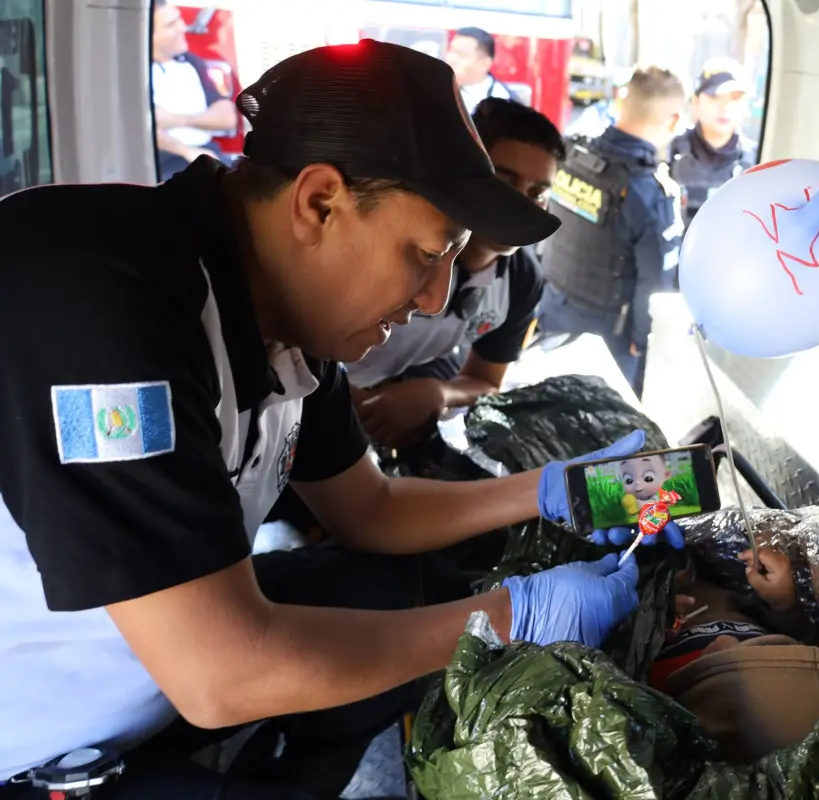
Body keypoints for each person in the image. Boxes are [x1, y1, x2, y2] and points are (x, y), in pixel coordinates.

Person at [0, 41, 681, 798]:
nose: (434, 298)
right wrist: (514, 615)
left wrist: (557, 489)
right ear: (319, 202)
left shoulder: (290, 320)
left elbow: (370, 509)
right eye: (426, 253)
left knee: (395, 588)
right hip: (41, 740)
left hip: (150, 687)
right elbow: (221, 674)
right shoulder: (97, 300)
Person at [346, 98, 565, 449]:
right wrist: (337, 399)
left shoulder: (522, 279)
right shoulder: (394, 239)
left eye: (537, 193)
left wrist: (437, 392)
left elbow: (486, 379)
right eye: (505, 183)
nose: (520, 205)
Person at [537, 66, 687, 398]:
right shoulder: (652, 194)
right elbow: (656, 285)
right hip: (607, 342)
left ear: (621, 101)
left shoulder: (572, 154)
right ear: (675, 120)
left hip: (551, 309)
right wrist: (642, 340)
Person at [650, 547, 819, 762]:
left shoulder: (661, 688)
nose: (724, 639)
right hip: (728, 592)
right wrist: (785, 603)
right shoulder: (809, 683)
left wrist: (652, 617)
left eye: (710, 662)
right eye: (763, 646)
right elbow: (808, 643)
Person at [150, 0, 239, 179]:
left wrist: (175, 119)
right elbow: (143, 131)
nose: (183, 27)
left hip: (207, 154)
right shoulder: (134, 74)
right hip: (165, 164)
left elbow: (228, 118)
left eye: (179, 19)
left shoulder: (192, 62)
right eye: (171, 25)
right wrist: (187, 151)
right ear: (149, 35)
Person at [669, 58, 758, 230]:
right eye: (714, 97)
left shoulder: (755, 163)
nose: (725, 107)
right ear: (696, 102)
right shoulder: (669, 153)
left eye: (735, 98)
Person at [444, 27, 512, 114]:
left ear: (484, 64)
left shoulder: (501, 101)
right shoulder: (438, 86)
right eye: (451, 50)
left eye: (461, 54)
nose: (451, 59)